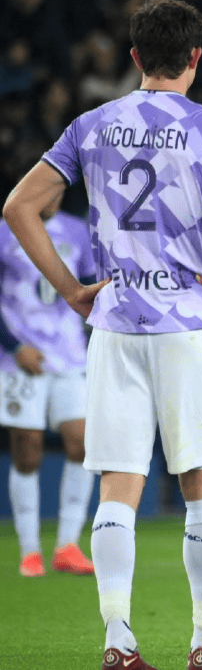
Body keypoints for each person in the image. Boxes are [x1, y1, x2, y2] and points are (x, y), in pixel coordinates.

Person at [2, 0, 202, 670]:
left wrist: (72, 289)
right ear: (195, 58)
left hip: (116, 322)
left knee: (117, 487)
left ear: (133, 57)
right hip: (189, 322)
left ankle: (118, 639)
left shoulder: (90, 125)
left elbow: (18, 206)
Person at [0, 207, 96, 577]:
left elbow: (89, 288)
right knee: (27, 449)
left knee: (82, 444)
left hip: (69, 355)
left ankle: (67, 545)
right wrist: (14, 347)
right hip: (21, 360)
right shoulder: (5, 231)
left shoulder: (76, 230)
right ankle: (30, 550)